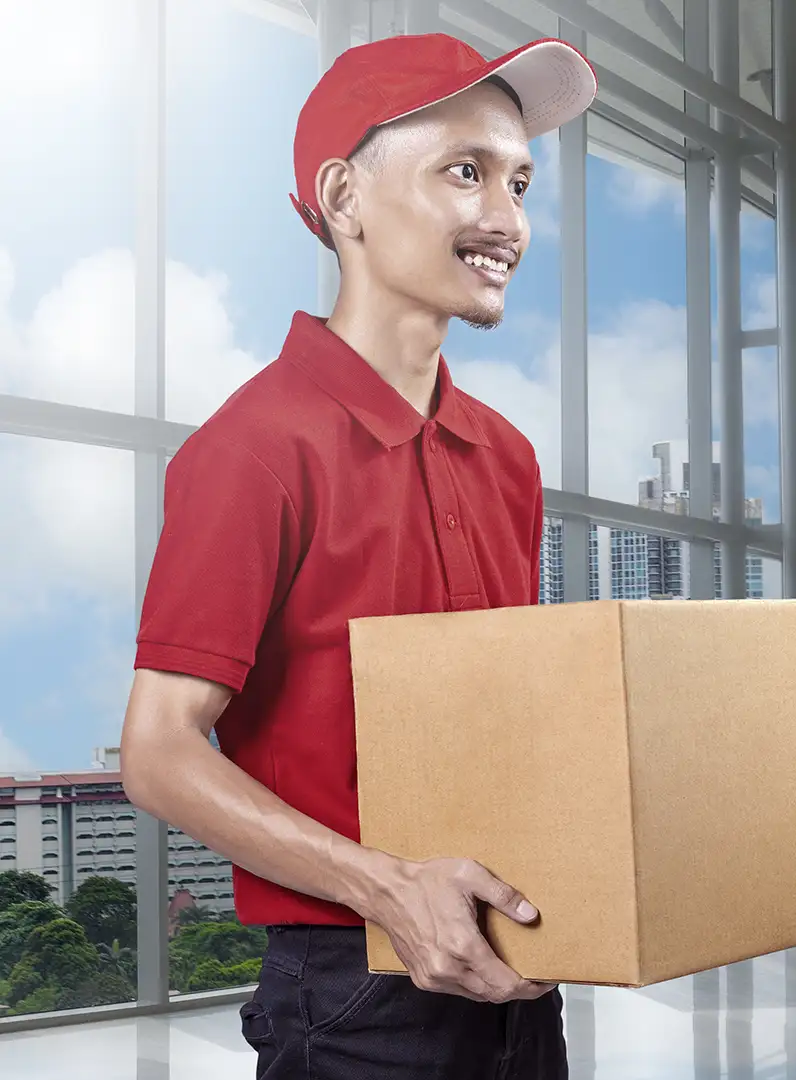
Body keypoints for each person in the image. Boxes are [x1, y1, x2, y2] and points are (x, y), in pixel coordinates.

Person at [118, 31, 595, 1079]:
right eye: (464, 172)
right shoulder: (254, 449)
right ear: (345, 199)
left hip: (519, 966)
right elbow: (157, 750)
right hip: (351, 994)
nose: (508, 219)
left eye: (520, 183)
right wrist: (389, 888)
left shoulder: (508, 459)